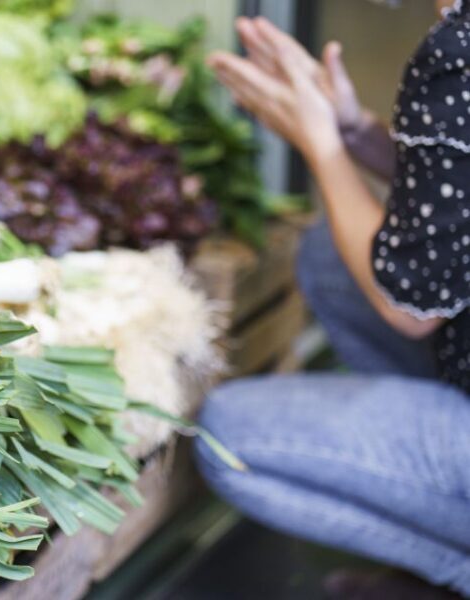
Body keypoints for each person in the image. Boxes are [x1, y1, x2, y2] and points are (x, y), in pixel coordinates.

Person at [195, 1, 470, 597]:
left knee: (230, 438)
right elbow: (454, 201)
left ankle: (452, 575)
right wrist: (355, 131)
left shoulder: (459, 51)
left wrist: (320, 142)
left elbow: (409, 306)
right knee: (330, 256)